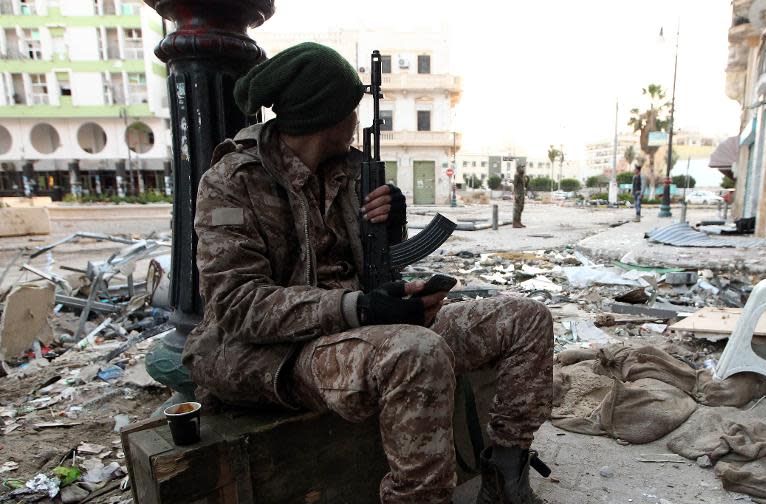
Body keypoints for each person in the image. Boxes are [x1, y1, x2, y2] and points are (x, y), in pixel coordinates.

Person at [182, 42, 553, 504]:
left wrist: (391, 234)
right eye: (350, 110)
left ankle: (504, 476)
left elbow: (373, 268)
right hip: (278, 351)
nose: (357, 121)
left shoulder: (354, 172)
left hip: (362, 327)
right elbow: (236, 306)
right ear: (325, 114)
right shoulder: (231, 184)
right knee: (417, 352)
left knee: (527, 318)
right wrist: (357, 307)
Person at [512, 159, 529, 228]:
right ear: (518, 168)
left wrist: (527, 180)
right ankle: (515, 223)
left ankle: (519, 221)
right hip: (518, 194)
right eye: (521, 167)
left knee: (521, 208)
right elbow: (515, 185)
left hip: (522, 194)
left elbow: (525, 186)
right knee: (517, 209)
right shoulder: (516, 175)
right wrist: (515, 195)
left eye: (523, 167)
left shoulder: (523, 176)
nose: (523, 169)